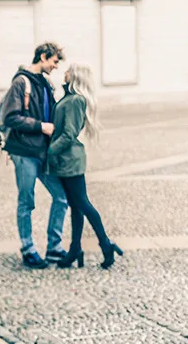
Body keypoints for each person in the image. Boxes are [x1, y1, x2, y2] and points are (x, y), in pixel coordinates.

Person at [47, 63, 123, 270]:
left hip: (70, 160)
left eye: (68, 71)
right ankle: (75, 249)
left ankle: (105, 244)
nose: (65, 73)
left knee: (83, 203)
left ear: (76, 76)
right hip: (67, 160)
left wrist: (51, 151)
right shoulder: (70, 98)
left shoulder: (75, 101)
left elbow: (69, 133)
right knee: (76, 206)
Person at [1, 42, 69, 269]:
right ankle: (28, 249)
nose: (56, 67)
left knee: (62, 197)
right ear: (43, 57)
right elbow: (10, 117)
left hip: (44, 152)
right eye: (54, 61)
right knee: (26, 201)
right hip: (25, 152)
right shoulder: (22, 82)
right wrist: (41, 126)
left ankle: (54, 247)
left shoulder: (47, 83)